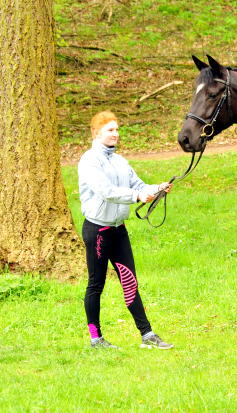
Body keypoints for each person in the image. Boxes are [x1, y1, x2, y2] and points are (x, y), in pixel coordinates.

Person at [78, 111, 174, 349]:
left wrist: (156, 188)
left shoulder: (120, 161)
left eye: (117, 129)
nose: (115, 134)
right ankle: (95, 338)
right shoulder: (89, 160)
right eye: (110, 130)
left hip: (118, 231)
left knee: (130, 282)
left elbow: (138, 185)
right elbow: (105, 191)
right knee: (96, 284)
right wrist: (137, 195)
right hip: (97, 231)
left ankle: (147, 335)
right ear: (96, 132)